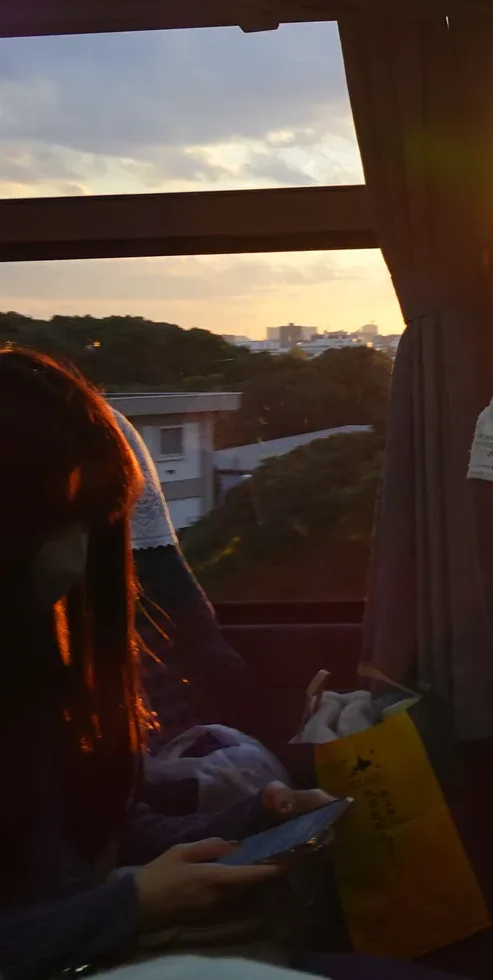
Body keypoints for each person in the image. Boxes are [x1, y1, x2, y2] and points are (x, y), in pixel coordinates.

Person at [0, 347, 336, 980]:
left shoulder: (36, 672)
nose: (80, 561)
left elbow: (97, 836)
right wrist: (132, 906)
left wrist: (258, 818)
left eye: (92, 526)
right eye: (62, 526)